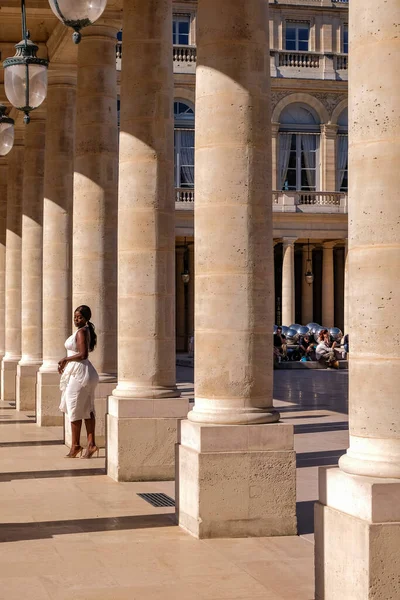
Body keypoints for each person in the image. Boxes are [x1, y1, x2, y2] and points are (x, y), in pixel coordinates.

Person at [58, 305, 100, 458]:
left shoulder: (82, 332)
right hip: (81, 371)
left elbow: (83, 354)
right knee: (87, 408)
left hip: (80, 372)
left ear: (86, 318)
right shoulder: (82, 331)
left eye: (80, 317)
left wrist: (65, 359)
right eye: (75, 317)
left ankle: (76, 445)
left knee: (74, 406)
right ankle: (91, 444)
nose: (76, 319)